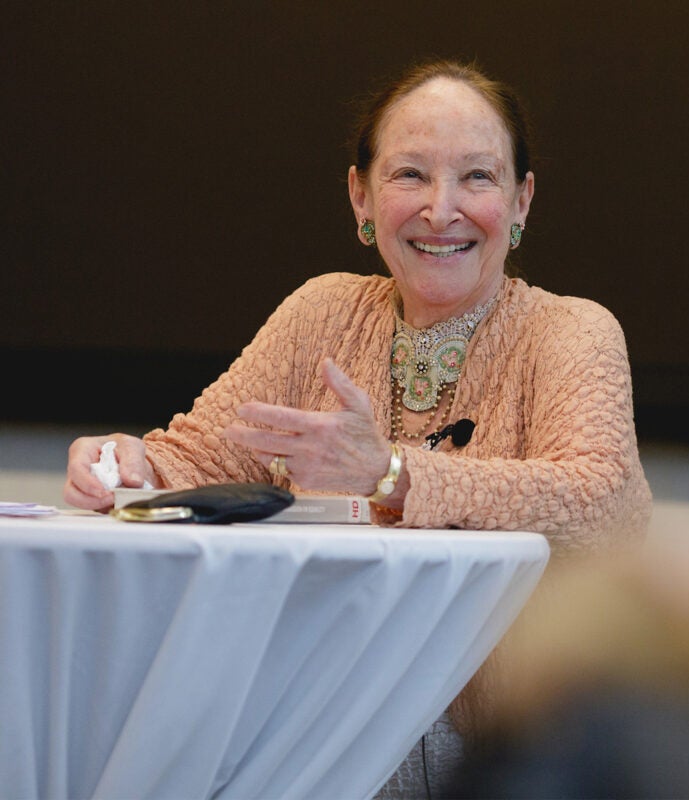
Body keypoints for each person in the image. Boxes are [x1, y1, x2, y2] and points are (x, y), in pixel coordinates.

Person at [64, 59, 652, 796]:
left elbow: (599, 500)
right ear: (360, 196)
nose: (442, 210)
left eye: (477, 177)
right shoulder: (323, 313)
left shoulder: (573, 331)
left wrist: (393, 475)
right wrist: (131, 466)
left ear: (522, 200)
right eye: (410, 175)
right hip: (318, 716)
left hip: (512, 745)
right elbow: (205, 451)